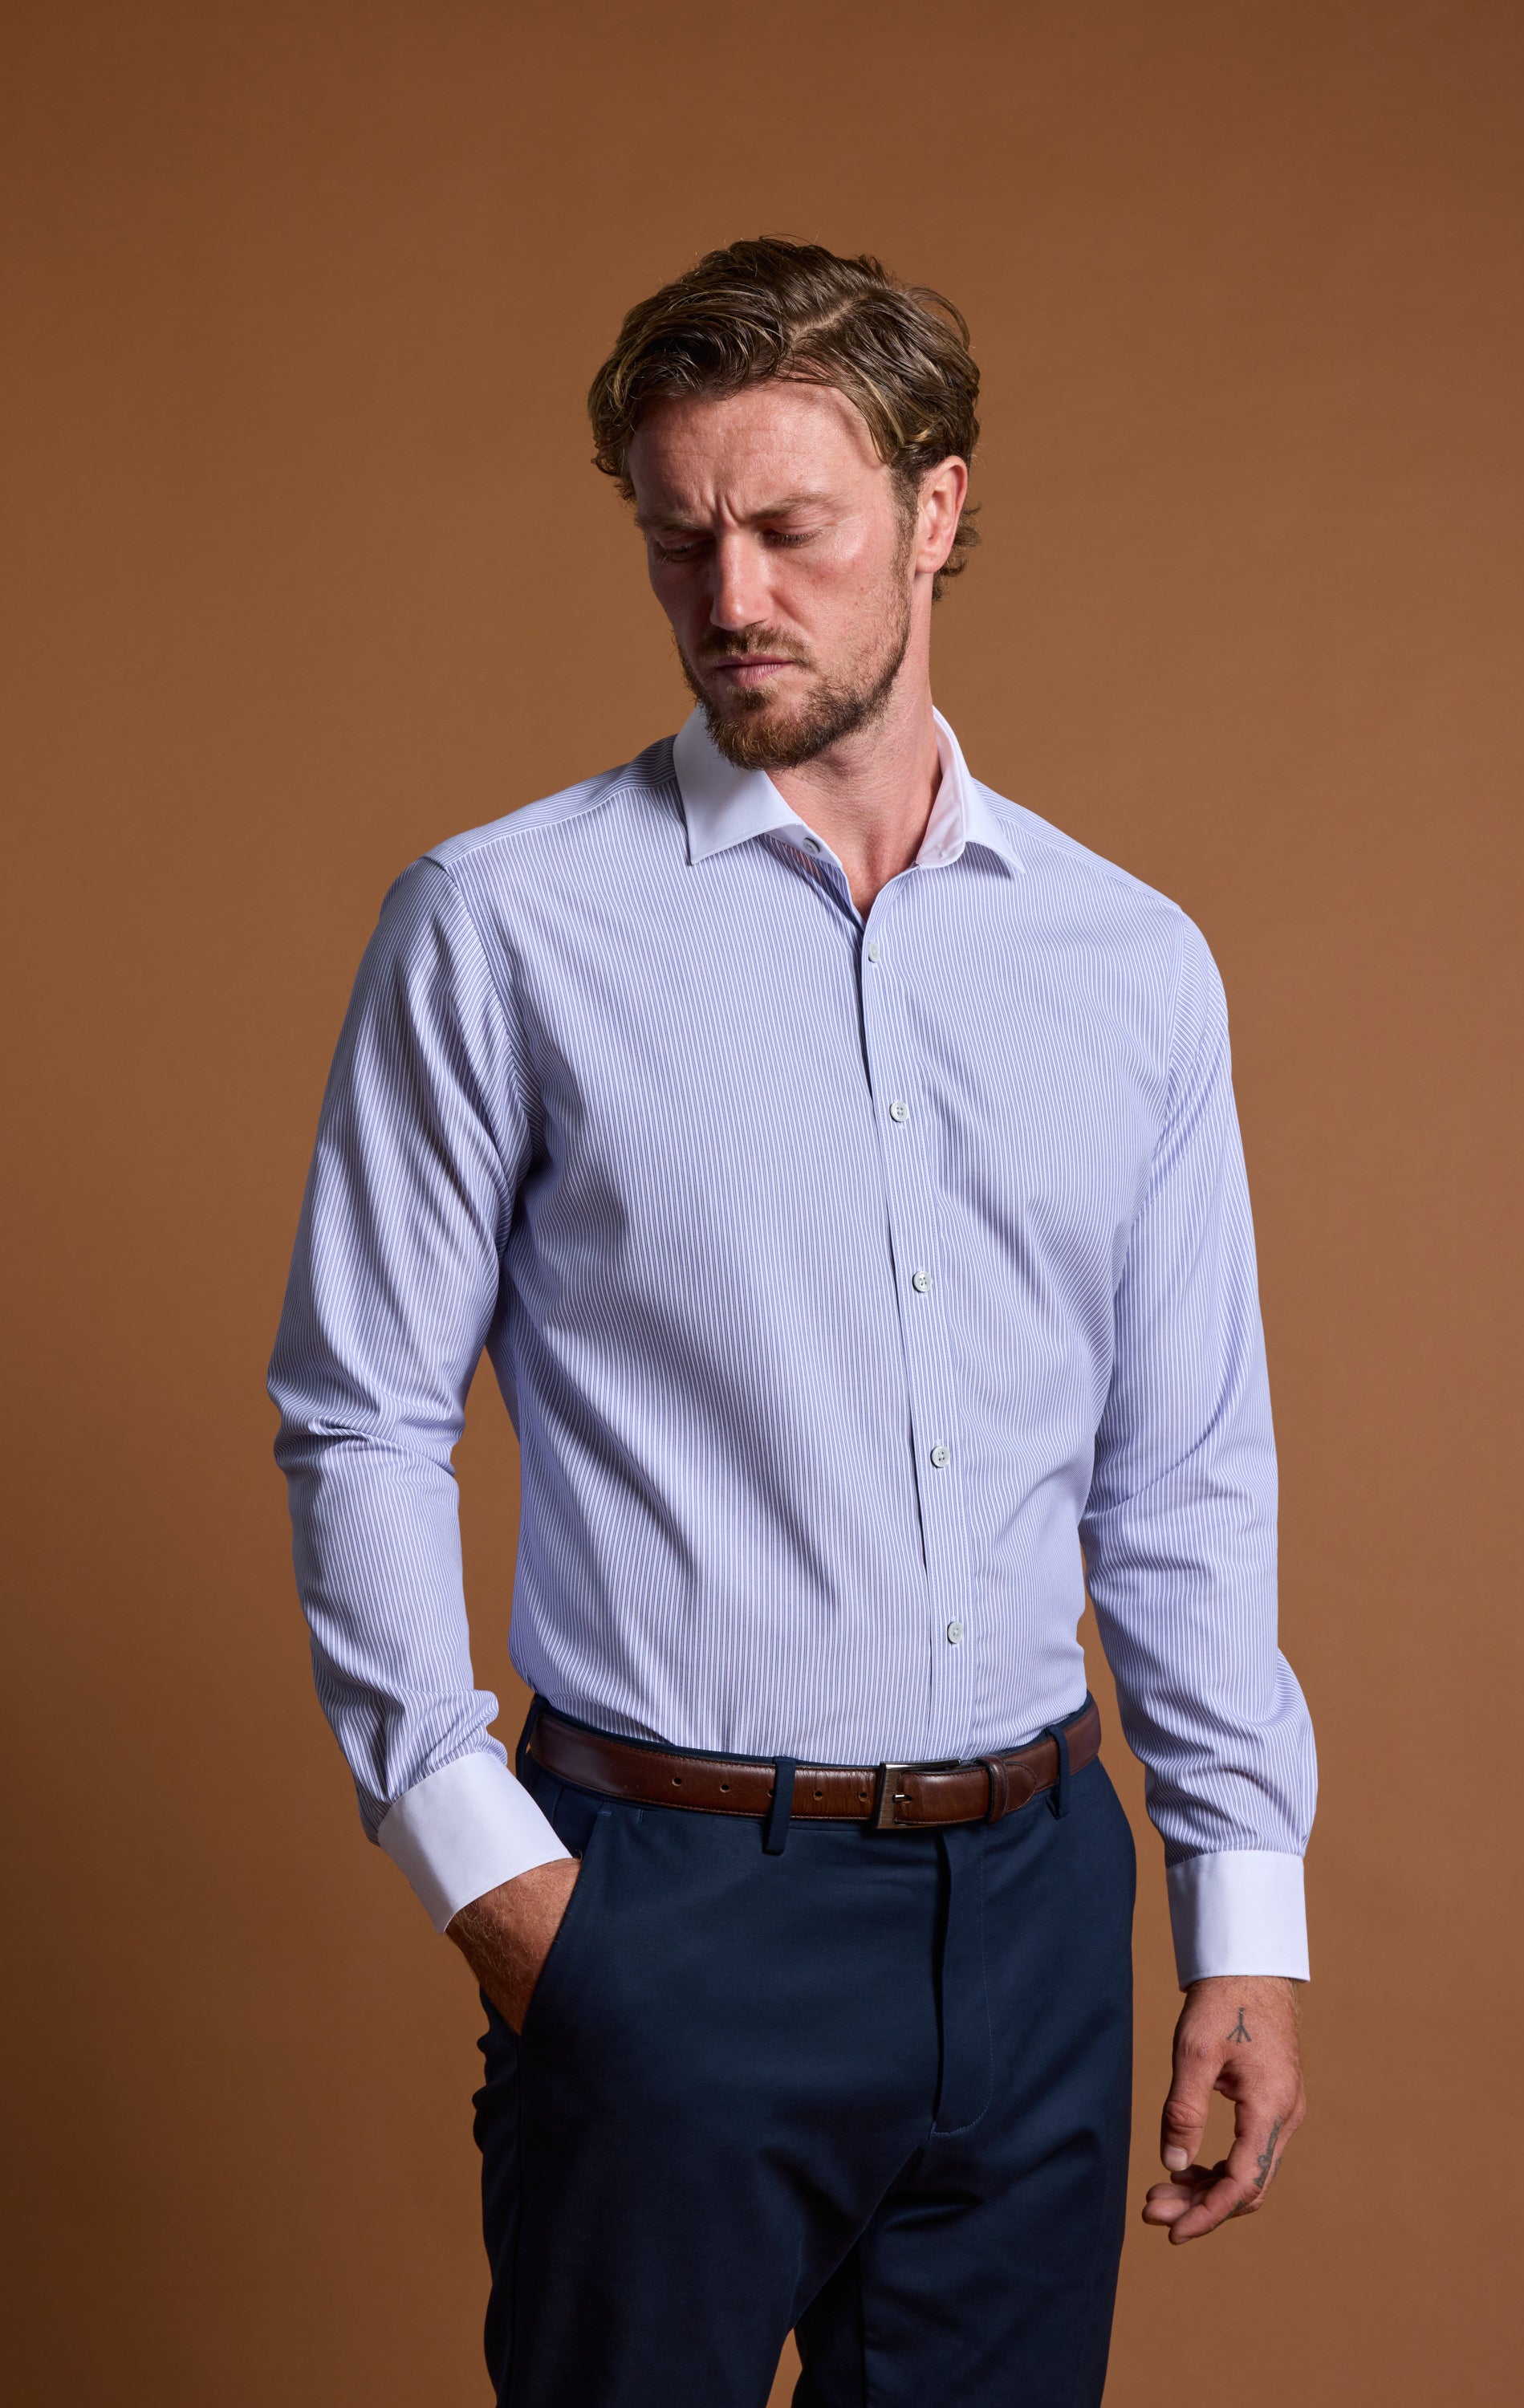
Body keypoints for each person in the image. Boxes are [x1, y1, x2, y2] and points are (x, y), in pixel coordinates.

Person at [268, 237, 1316, 2407]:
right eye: (677, 539)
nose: (728, 592)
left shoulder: (1129, 964)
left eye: (787, 528)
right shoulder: (502, 928)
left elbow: (1182, 1465)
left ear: (935, 510)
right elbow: (360, 1417)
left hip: (1034, 1916)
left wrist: (1242, 1917)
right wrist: (501, 1892)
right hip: (661, 1904)